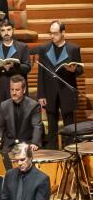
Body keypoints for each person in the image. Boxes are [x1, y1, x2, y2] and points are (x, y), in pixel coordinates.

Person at [36, 21, 82, 149]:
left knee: (69, 124)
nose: (52, 36)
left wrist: (74, 70)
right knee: (51, 125)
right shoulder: (44, 49)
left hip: (66, 91)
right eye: (50, 33)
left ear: (63, 33)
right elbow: (41, 74)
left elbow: (80, 70)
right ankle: (52, 151)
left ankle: (70, 150)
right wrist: (41, 94)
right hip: (50, 92)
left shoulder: (73, 49)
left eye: (55, 33)